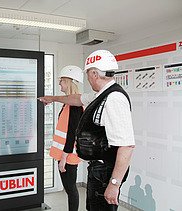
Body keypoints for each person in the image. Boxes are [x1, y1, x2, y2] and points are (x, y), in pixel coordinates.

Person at [39, 50, 135, 211]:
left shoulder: (114, 99)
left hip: (106, 173)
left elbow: (126, 146)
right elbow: (76, 99)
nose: (88, 78)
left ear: (95, 73)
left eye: (89, 73)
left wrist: (114, 184)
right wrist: (52, 98)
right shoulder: (101, 95)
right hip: (98, 170)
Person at [49, 65, 84, 211]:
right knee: (69, 189)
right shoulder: (68, 104)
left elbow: (71, 134)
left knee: (71, 189)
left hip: (68, 155)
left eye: (61, 81)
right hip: (64, 154)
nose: (59, 84)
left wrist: (63, 158)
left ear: (69, 82)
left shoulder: (75, 106)